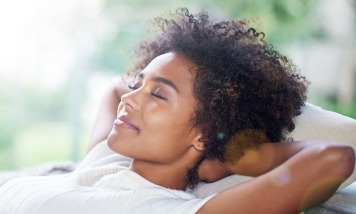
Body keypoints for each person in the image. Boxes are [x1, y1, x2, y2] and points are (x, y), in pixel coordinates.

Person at [0, 8, 354, 214]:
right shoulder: (106, 159)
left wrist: (232, 159)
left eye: (159, 95)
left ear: (202, 133)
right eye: (139, 84)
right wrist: (149, 87)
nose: (132, 97)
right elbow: (114, 90)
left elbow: (334, 158)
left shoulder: (169, 208)